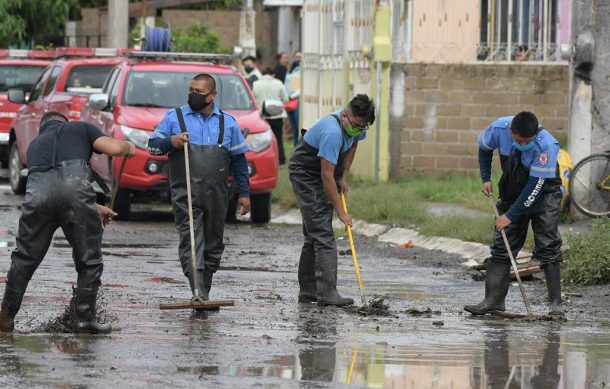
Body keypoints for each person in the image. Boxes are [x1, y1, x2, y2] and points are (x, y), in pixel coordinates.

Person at [0, 112, 136, 334]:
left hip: (37, 197)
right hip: (74, 194)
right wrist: (128, 146)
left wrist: (93, 207)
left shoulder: (35, 144)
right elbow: (114, 149)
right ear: (65, 122)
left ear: (43, 127)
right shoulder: (80, 128)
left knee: (24, 258)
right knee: (88, 259)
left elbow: (53, 189)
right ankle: (85, 320)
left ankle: (5, 319)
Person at [147, 73, 250, 304]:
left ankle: (205, 290)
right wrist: (170, 142)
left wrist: (244, 193)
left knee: (214, 243)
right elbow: (152, 147)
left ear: (212, 95)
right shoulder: (174, 118)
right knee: (192, 240)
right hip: (186, 193)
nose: (193, 95)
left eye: (199, 92)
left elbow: (240, 161)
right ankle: (198, 292)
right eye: (191, 90)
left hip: (217, 194)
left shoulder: (228, 122)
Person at [464, 111, 564, 317]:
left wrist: (510, 215)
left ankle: (555, 305)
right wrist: (485, 177)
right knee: (502, 245)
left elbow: (535, 187)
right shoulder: (499, 128)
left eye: (527, 141)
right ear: (511, 131)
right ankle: (493, 301)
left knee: (548, 244)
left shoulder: (546, 145)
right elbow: (484, 148)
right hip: (513, 187)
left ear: (535, 135)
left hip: (544, 192)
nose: (522, 144)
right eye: (518, 141)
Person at [289, 94, 375, 306]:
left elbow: (353, 144)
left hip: (326, 171)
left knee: (313, 234)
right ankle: (327, 293)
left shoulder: (355, 128)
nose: (358, 129)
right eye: (355, 125)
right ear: (345, 116)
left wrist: (344, 175)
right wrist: (341, 212)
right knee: (323, 234)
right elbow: (326, 176)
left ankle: (308, 291)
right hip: (306, 173)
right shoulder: (332, 132)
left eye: (363, 127)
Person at [253, 67, 288, 165]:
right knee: (278, 139)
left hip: (262, 116)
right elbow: (285, 99)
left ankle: (263, 160)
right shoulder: (279, 83)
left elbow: (252, 98)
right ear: (273, 74)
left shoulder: (256, 84)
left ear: (263, 74)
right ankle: (281, 160)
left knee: (262, 140)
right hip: (277, 115)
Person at [284, 51, 302, 146]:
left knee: (298, 126)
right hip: (290, 102)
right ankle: (296, 147)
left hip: (296, 101)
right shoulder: (289, 72)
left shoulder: (302, 72)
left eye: (300, 57)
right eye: (296, 57)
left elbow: (301, 88)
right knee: (294, 127)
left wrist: (291, 96)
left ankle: (298, 146)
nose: (298, 59)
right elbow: (286, 86)